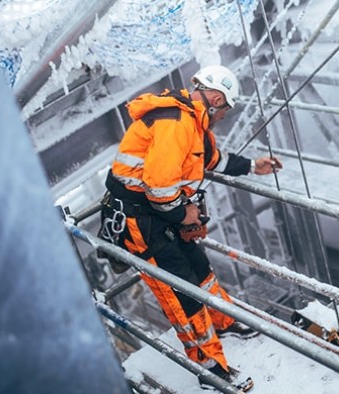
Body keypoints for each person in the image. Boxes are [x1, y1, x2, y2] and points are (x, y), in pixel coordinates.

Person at [100, 65, 282, 391]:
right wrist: (186, 214)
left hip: (160, 214)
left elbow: (212, 159)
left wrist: (253, 166)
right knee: (180, 291)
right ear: (215, 99)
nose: (225, 115)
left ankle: (223, 321)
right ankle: (209, 367)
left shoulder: (193, 123)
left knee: (200, 270)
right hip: (141, 220)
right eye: (226, 109)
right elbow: (158, 187)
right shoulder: (176, 123)